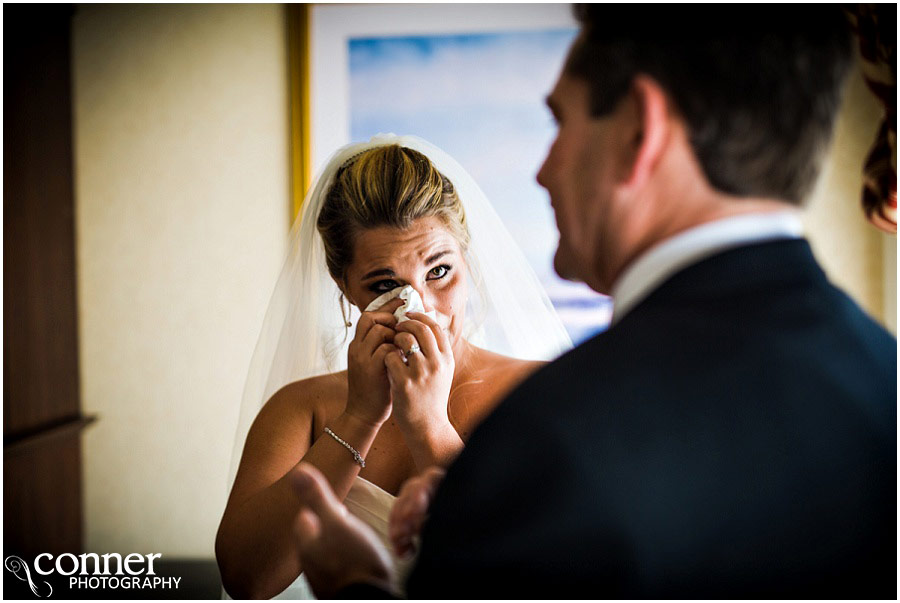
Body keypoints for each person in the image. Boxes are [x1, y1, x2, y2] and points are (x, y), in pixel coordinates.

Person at [288, 4, 897, 599]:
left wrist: (361, 590)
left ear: (638, 131)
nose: (544, 172)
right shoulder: (883, 378)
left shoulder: (555, 432)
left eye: (560, 124)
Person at [215, 135, 571, 599]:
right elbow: (246, 580)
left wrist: (428, 424)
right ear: (344, 287)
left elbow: (542, 574)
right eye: (385, 283)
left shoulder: (539, 389)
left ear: (468, 261)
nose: (420, 309)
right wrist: (359, 417)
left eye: (439, 271)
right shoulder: (301, 408)